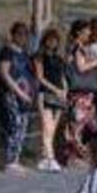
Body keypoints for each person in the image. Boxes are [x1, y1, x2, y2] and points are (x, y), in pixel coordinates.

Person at [61, 20, 97, 166]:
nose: (89, 33)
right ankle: (74, 158)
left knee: (83, 124)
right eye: (86, 31)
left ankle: (76, 157)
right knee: (77, 125)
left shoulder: (82, 48)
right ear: (79, 32)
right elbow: (81, 68)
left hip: (86, 93)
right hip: (79, 94)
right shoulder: (76, 48)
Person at [0, 21, 35, 174]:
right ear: (12, 35)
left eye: (25, 34)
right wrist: (20, 93)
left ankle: (16, 160)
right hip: (12, 95)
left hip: (25, 96)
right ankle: (9, 162)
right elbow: (4, 73)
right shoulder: (7, 51)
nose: (22, 37)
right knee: (14, 126)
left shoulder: (24, 53)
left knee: (22, 127)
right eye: (19, 34)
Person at [34, 26, 68, 173]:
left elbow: (62, 76)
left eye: (55, 40)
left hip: (59, 94)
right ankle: (51, 158)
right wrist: (56, 90)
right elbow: (40, 77)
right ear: (45, 40)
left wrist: (65, 90)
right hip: (45, 94)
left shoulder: (59, 58)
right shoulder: (39, 56)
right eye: (50, 39)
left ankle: (43, 158)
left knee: (52, 129)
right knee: (47, 127)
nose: (53, 42)